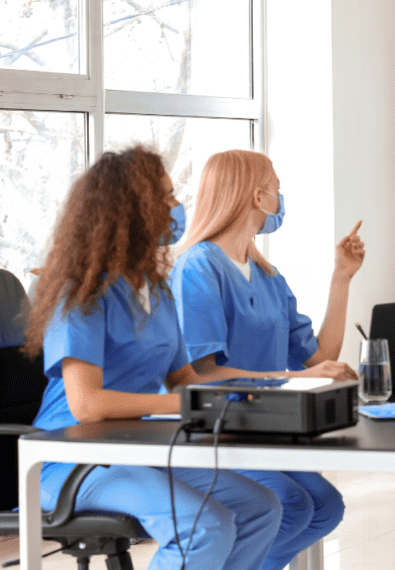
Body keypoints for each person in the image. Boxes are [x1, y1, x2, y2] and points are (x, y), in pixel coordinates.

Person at [23, 146, 283, 570]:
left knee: (260, 507)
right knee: (205, 527)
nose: (177, 207)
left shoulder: (155, 288)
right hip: (71, 458)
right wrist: (183, 406)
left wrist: (253, 393)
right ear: (129, 209)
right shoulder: (81, 292)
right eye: (164, 198)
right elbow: (86, 404)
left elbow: (183, 378)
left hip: (130, 447)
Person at [170, 149, 363, 570]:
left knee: (326, 506)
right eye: (276, 188)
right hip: (216, 431)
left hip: (264, 428)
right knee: (290, 501)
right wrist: (285, 377)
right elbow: (202, 373)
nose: (280, 198)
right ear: (258, 197)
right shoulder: (197, 268)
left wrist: (341, 278)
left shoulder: (267, 274)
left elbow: (318, 358)